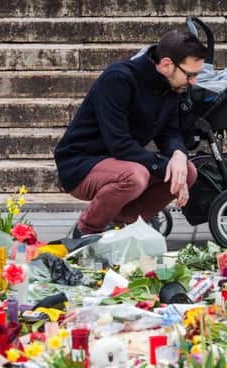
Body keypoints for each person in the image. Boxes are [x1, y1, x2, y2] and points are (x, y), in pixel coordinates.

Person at [54, 30, 207, 238]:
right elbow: (119, 143)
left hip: (122, 162)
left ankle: (124, 225)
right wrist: (166, 166)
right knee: (135, 176)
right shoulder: (119, 79)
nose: (193, 82)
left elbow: (169, 132)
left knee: (187, 171)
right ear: (166, 65)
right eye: (190, 75)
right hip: (81, 162)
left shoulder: (171, 86)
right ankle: (85, 231)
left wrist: (179, 155)